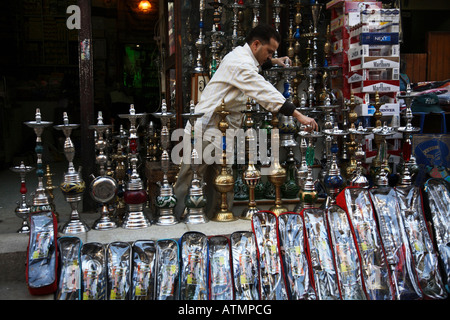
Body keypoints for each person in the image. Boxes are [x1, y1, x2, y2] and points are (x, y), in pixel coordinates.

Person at [173, 24, 318, 220]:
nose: (269, 55)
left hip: (224, 129)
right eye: (269, 51)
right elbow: (262, 89)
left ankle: (217, 222)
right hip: (207, 128)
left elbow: (256, 66)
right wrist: (298, 115)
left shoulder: (241, 57)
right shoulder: (239, 63)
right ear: (256, 44)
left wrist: (273, 61)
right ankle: (171, 218)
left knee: (222, 181)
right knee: (190, 178)